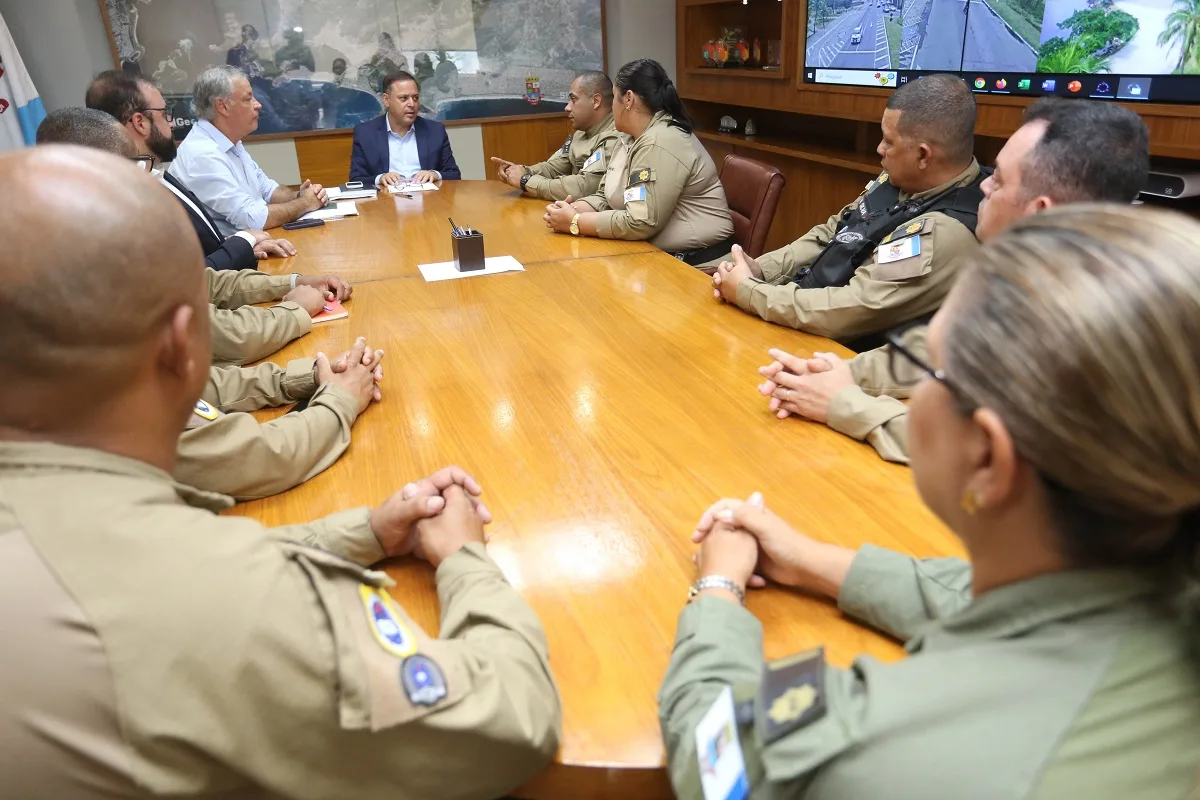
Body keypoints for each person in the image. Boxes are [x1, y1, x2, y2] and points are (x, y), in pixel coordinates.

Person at [0, 143, 562, 798]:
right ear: (184, 347)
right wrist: (466, 560)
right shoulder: (240, 604)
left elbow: (140, 569)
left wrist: (364, 532)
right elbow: (509, 719)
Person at [661, 204, 1200, 798]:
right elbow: (998, 600)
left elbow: (716, 756)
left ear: (988, 459)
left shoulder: (892, 752)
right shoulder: (1156, 580)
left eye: (926, 371)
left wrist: (717, 590)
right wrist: (810, 559)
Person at [758, 99, 1150, 464]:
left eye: (998, 180)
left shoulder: (1098, 321)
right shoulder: (1033, 271)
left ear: (1039, 213)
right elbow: (947, 349)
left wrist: (841, 403)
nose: (983, 185)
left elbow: (978, 454)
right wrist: (850, 374)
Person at [34, 103, 347, 367]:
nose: (143, 177)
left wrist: (293, 283)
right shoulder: (75, 251)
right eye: (135, 165)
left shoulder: (102, 224)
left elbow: (194, 281)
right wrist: (295, 310)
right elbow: (223, 338)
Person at [711, 73, 984, 347]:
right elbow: (835, 231)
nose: (879, 149)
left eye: (889, 142)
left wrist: (750, 292)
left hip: (840, 353)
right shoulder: (904, 179)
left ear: (923, 155)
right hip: (802, 315)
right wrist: (761, 271)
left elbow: (851, 309)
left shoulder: (943, 231)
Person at [85, 69, 293, 271]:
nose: (172, 122)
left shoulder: (156, 175)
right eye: (165, 113)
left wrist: (243, 246)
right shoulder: (129, 200)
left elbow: (199, 250)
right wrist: (245, 240)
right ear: (140, 123)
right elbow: (187, 274)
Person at [542, 59, 734, 266]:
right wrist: (574, 208)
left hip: (696, 265)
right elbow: (605, 195)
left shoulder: (661, 140)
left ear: (628, 99)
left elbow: (640, 222)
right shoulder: (627, 137)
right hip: (649, 254)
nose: (611, 106)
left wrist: (575, 222)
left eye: (614, 97)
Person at [170, 65, 329, 236]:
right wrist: (305, 203)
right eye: (248, 99)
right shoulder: (201, 154)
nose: (258, 105)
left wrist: (303, 194)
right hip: (230, 258)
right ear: (222, 106)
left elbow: (268, 191)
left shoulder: (230, 141)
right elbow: (253, 219)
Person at [490, 71, 621, 201]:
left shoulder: (615, 136)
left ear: (596, 101)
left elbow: (584, 187)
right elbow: (554, 167)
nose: (567, 107)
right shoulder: (581, 133)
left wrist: (525, 181)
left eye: (573, 99)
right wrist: (521, 171)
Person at [349, 71, 461, 186]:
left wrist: (435, 174)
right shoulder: (365, 133)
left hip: (428, 199)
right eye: (404, 98)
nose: (412, 104)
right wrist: (380, 178)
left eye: (415, 98)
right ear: (386, 100)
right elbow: (356, 180)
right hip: (386, 200)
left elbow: (454, 174)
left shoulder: (435, 130)